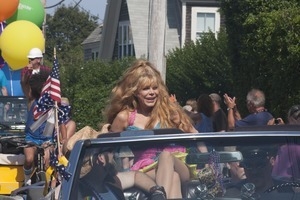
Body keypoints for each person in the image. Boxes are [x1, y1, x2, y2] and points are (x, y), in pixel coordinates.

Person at [104, 59, 206, 199]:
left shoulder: (170, 112)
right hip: (146, 169)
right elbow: (107, 148)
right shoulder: (125, 117)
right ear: (135, 92)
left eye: (155, 88)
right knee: (173, 178)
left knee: (166, 156)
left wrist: (208, 162)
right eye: (146, 89)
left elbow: (195, 135)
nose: (152, 93)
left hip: (179, 164)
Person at [67, 125, 167, 200]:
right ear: (101, 158)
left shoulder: (111, 181)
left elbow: (136, 176)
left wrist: (156, 191)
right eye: (110, 150)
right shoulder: (77, 191)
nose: (114, 154)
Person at [23, 71, 52, 186]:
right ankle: (26, 179)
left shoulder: (52, 102)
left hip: (47, 137)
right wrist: (27, 75)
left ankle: (47, 185)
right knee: (29, 159)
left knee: (48, 162)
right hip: (32, 137)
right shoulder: (32, 100)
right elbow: (24, 83)